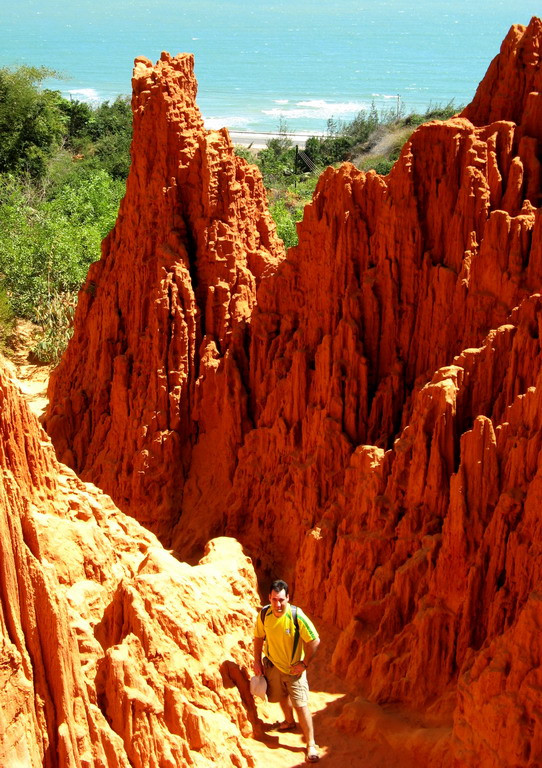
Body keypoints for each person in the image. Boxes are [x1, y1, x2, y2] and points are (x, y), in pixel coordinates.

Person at [253, 579, 320, 763]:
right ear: (269, 598)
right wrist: (257, 660)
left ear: (288, 598)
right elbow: (258, 637)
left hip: (294, 671)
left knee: (301, 705)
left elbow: (314, 641)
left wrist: (304, 664)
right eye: (274, 599)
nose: (278, 604)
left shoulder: (296, 616)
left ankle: (311, 745)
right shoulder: (264, 614)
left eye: (281, 600)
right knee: (281, 696)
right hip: (273, 666)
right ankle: (289, 722)